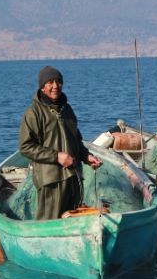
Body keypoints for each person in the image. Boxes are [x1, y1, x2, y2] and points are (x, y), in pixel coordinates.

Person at [19, 66, 102, 219]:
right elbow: (26, 146)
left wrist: (86, 156)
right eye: (50, 82)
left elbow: (76, 139)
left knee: (73, 218)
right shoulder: (33, 113)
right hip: (51, 180)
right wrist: (57, 156)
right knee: (49, 222)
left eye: (59, 82)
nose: (55, 86)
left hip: (74, 177)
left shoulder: (67, 110)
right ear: (42, 87)